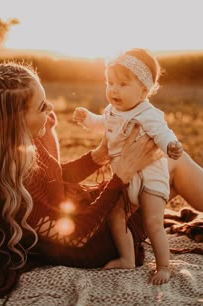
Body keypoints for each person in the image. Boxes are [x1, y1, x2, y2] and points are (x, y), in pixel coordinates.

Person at [0, 62, 202, 297]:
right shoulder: (15, 194)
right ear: (14, 120)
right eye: (41, 107)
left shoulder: (15, 148)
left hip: (84, 214)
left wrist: (98, 157)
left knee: (165, 166)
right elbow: (78, 239)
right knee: (173, 166)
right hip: (94, 240)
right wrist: (121, 174)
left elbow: (53, 179)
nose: (50, 109)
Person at [73, 48, 183, 285]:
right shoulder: (111, 111)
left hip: (150, 181)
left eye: (122, 84)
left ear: (144, 90)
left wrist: (171, 146)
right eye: (110, 82)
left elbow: (162, 134)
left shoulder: (148, 114)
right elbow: (103, 125)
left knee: (153, 222)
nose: (113, 89)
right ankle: (127, 258)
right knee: (115, 215)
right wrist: (88, 119)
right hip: (124, 180)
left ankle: (163, 266)